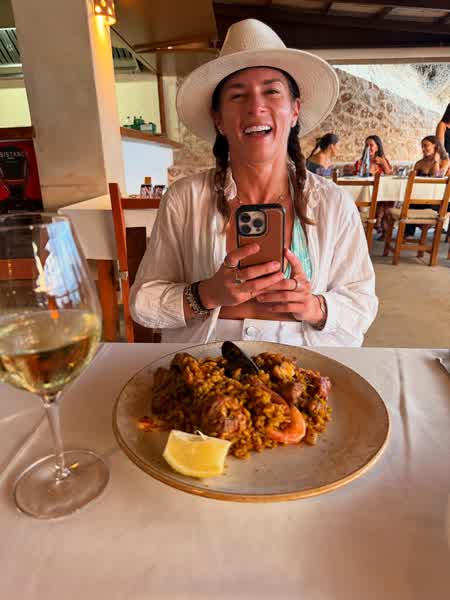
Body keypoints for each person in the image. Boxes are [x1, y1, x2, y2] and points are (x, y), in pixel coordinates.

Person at [130, 19, 378, 347]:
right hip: (205, 364)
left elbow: (362, 304)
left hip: (304, 365)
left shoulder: (333, 203)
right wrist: (206, 294)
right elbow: (142, 303)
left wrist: (314, 307)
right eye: (237, 95)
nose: (255, 106)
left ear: (295, 110)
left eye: (272, 91)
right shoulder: (184, 199)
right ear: (219, 120)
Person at [404, 136, 450, 238]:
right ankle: (409, 233)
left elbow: (438, 177)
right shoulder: (419, 163)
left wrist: (436, 162)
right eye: (422, 146)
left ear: (436, 146)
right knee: (409, 202)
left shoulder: (445, 161)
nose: (423, 149)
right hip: (421, 198)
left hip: (438, 199)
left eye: (426, 146)